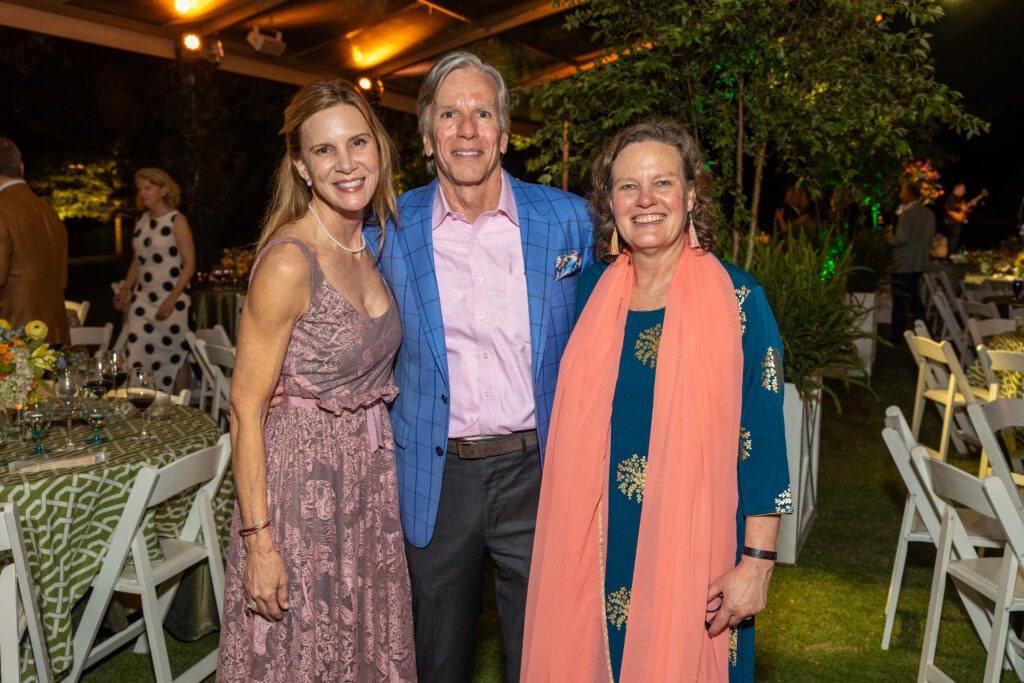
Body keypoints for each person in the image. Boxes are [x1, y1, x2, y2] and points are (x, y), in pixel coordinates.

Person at [522, 119, 791, 682]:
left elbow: (761, 440)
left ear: (691, 195)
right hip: (598, 538)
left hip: (698, 548)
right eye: (627, 187)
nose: (645, 200)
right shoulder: (590, 292)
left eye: (662, 183)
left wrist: (758, 563)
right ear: (610, 202)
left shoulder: (740, 302)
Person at [370, 52, 594, 682]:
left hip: (539, 469)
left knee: (543, 656)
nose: (467, 129)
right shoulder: (386, 231)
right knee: (437, 658)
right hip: (436, 478)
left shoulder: (568, 220)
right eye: (449, 114)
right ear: (426, 136)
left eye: (482, 113)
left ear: (505, 131)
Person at [217, 79, 416, 681]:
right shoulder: (287, 261)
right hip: (301, 496)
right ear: (301, 167)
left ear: (379, 148)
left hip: (366, 488)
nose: (347, 163)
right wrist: (259, 544)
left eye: (358, 142)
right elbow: (245, 409)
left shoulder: (374, 243)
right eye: (325, 150)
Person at [113, 168, 195, 390]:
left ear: (164, 189)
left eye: (148, 187)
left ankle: (181, 410)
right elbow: (138, 262)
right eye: (140, 188)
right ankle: (141, 407)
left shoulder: (177, 221)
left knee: (175, 358)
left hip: (172, 302)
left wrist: (172, 299)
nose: (143, 193)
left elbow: (189, 265)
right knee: (135, 353)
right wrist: (125, 289)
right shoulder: (141, 222)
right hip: (143, 302)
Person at [0, 138, 70, 346]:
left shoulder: (2, 209)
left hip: (16, 338)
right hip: (53, 330)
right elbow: (62, 277)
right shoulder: (47, 209)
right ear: (20, 168)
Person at [888, 182, 935, 341]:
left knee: (900, 302)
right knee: (915, 299)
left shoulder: (907, 213)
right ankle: (925, 332)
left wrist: (887, 239)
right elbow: (929, 240)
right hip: (919, 263)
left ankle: (898, 335)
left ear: (909, 194)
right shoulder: (928, 213)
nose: (901, 195)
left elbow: (902, 238)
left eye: (902, 191)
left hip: (903, 263)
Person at [943, 182, 967, 254]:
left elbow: (964, 210)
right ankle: (950, 255)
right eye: (963, 189)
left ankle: (954, 255)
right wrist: (961, 208)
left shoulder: (960, 199)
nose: (964, 191)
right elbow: (951, 208)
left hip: (958, 221)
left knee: (957, 239)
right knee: (953, 239)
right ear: (957, 189)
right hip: (952, 221)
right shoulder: (951, 197)